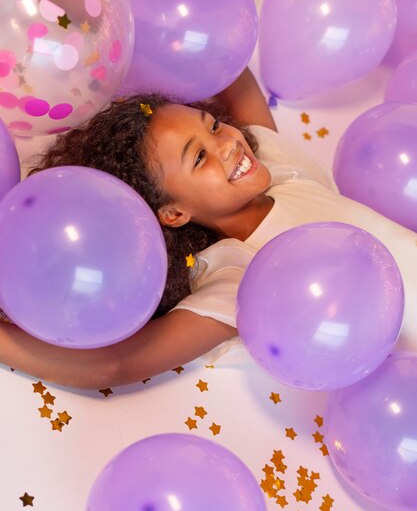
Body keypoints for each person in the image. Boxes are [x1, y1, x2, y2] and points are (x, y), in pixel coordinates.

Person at [0, 68, 416, 389]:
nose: (226, 144)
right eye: (199, 158)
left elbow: (236, 78)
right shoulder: (243, 275)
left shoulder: (275, 166)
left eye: (212, 125)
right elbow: (118, 363)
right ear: (174, 213)